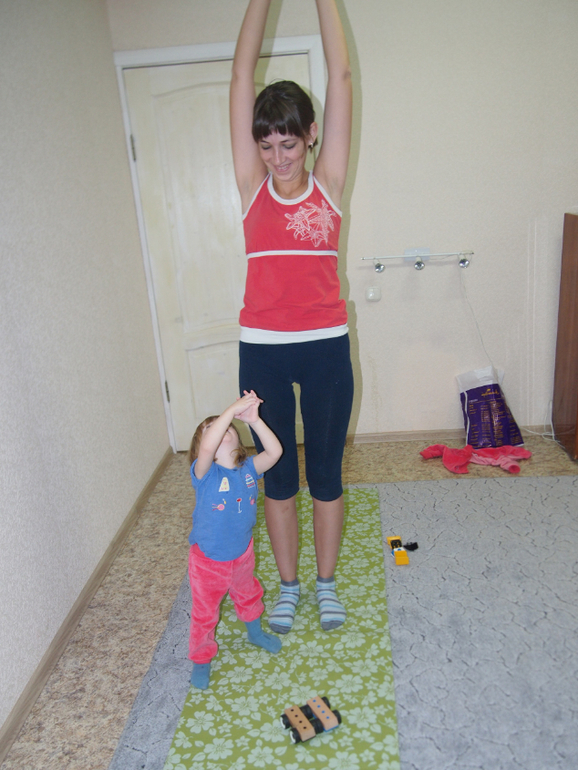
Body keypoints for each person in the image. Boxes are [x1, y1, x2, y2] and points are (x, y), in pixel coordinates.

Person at [230, 0, 354, 635]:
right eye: (267, 145)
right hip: (264, 352)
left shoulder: (327, 183)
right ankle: (288, 586)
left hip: (326, 346)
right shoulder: (251, 187)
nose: (278, 157)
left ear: (311, 135)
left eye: (289, 143)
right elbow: (240, 74)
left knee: (325, 473)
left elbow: (341, 74)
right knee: (277, 477)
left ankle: (325, 584)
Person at [187, 390, 283, 690]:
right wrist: (230, 410)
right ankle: (201, 659)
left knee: (249, 594)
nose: (223, 427)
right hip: (208, 560)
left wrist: (254, 420)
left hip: (242, 552)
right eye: (213, 428)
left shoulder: (249, 469)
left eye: (228, 425)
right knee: (205, 613)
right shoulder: (204, 473)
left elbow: (275, 452)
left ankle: (255, 633)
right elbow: (207, 447)